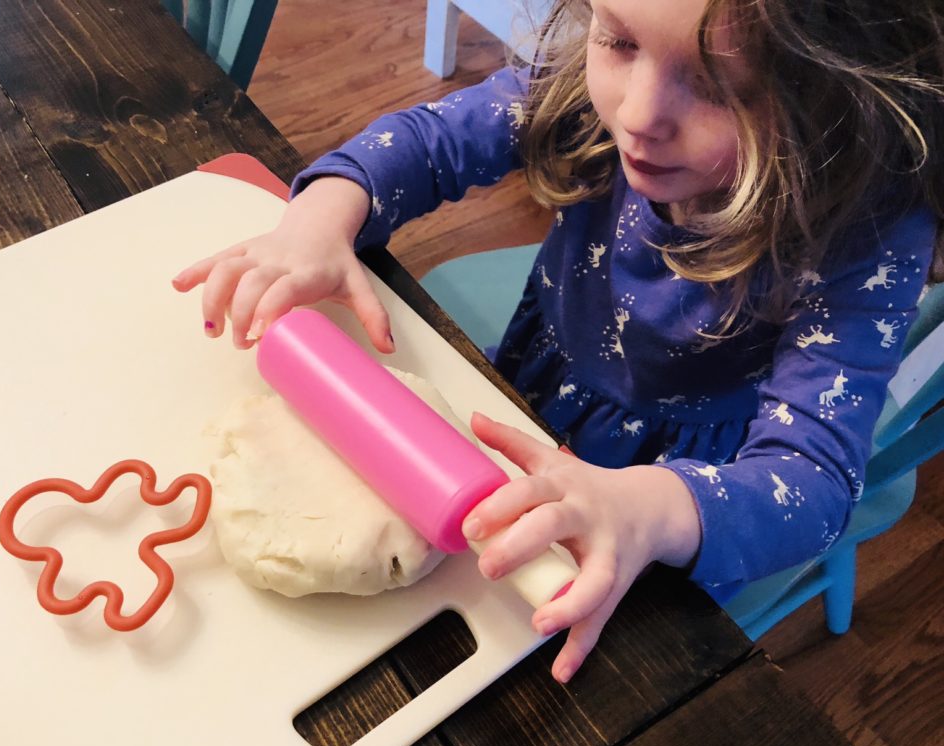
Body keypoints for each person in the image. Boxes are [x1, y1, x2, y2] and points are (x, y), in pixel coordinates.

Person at [172, 0, 944, 683]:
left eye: (719, 86)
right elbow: (430, 141)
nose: (639, 113)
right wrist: (323, 216)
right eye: (617, 37)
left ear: (842, 103)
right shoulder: (590, 87)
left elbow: (812, 482)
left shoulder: (864, 232)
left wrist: (654, 510)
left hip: (677, 491)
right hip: (545, 380)